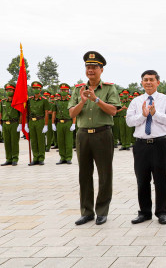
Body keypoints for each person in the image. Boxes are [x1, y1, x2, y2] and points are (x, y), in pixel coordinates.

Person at [69, 51, 121, 226]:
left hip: (102, 134)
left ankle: (102, 211)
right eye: (88, 67)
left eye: (94, 67)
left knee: (105, 174)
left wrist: (96, 99)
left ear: (101, 69)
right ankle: (86, 212)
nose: (90, 70)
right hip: (83, 135)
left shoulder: (109, 88)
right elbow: (72, 113)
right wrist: (82, 101)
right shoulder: (78, 89)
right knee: (84, 174)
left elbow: (113, 111)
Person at [126, 70, 166, 225]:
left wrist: (155, 114)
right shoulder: (136, 101)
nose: (148, 82)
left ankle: (162, 212)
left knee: (161, 179)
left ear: (158, 82)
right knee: (142, 180)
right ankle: (144, 212)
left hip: (159, 144)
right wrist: (143, 115)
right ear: (141, 82)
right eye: (145, 80)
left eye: (151, 80)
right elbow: (129, 121)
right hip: (141, 145)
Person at [26, 81, 50, 166]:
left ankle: (41, 158)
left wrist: (46, 125)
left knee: (40, 140)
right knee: (33, 140)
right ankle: (35, 158)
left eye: (37, 88)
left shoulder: (44, 100)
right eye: (34, 88)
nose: (35, 90)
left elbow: (46, 113)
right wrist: (26, 124)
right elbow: (26, 111)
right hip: (31, 122)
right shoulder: (29, 100)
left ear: (40, 89)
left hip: (40, 121)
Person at [52, 83, 76, 164]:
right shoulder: (56, 101)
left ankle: (68, 157)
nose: (63, 91)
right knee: (60, 141)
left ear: (68, 91)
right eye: (62, 90)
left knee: (68, 141)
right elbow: (54, 113)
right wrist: (52, 123)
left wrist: (73, 123)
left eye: (65, 90)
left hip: (68, 122)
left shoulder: (71, 101)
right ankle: (62, 157)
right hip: (59, 123)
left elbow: (73, 112)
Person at [0, 84, 22, 166]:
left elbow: (21, 114)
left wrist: (20, 124)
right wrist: (0, 124)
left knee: (14, 142)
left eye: (11, 90)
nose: (9, 92)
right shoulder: (3, 102)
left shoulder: (17, 102)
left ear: (14, 91)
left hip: (14, 124)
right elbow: (1, 114)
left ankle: (15, 158)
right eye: (7, 90)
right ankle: (8, 159)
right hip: (5, 124)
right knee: (7, 142)